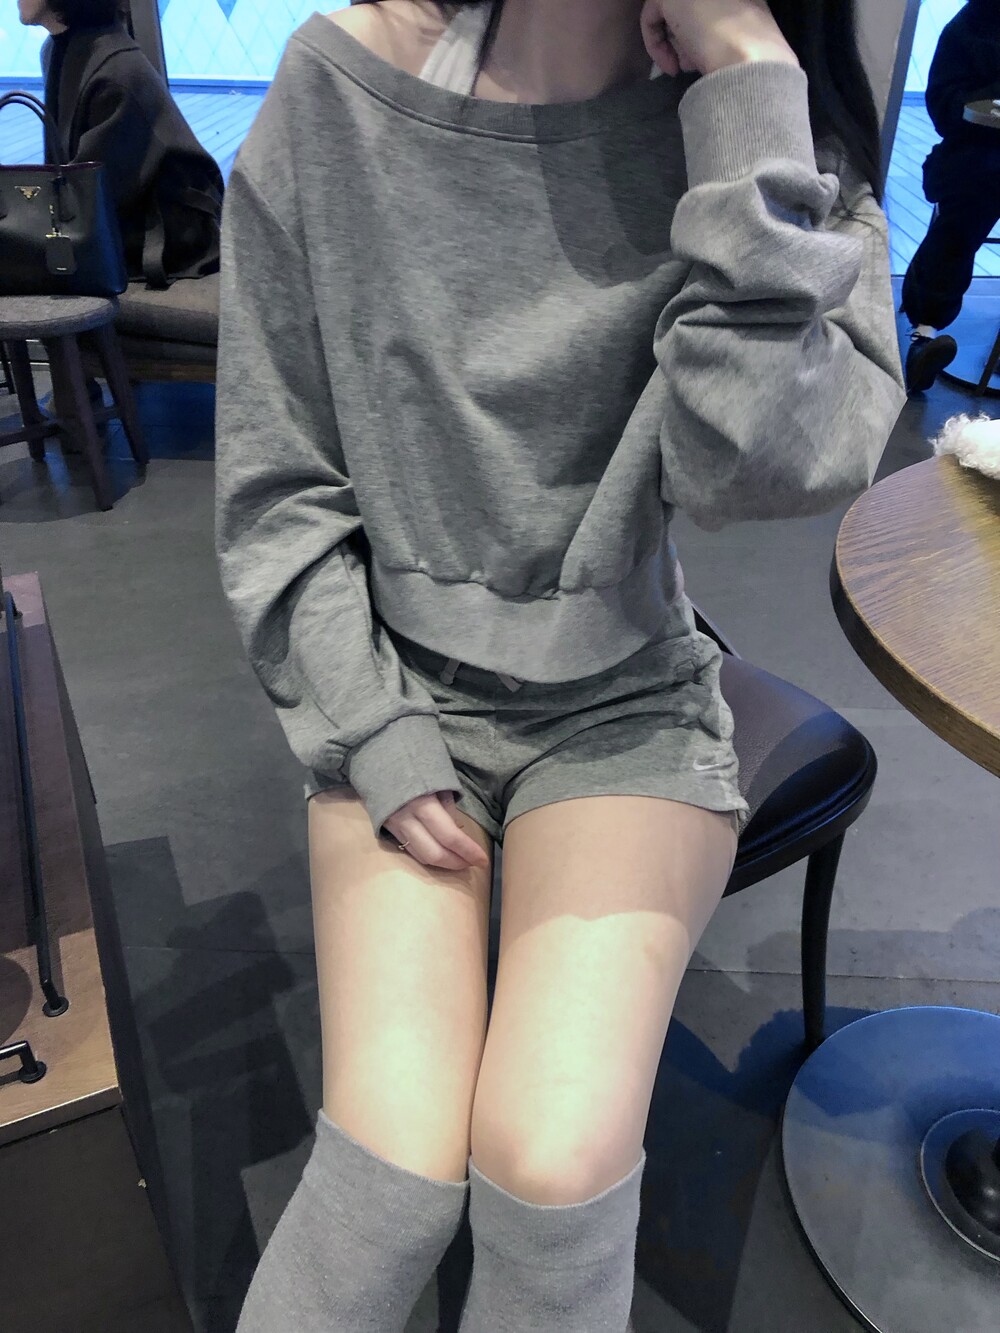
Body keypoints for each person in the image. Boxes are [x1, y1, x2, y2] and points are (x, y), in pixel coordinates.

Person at [214, 1, 905, 1329]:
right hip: (392, 680)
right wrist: (373, 726)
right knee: (389, 1178)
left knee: (552, 1160)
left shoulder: (768, 129)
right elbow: (278, 487)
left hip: (625, 701)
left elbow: (755, 465)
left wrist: (748, 83)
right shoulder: (340, 83)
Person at [17, 0, 223, 287]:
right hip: (115, 224)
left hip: (165, 240)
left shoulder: (115, 71)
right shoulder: (61, 49)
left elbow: (89, 202)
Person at [902, 0, 1000, 393]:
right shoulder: (969, 27)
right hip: (975, 153)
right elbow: (945, 108)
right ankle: (924, 336)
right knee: (964, 213)